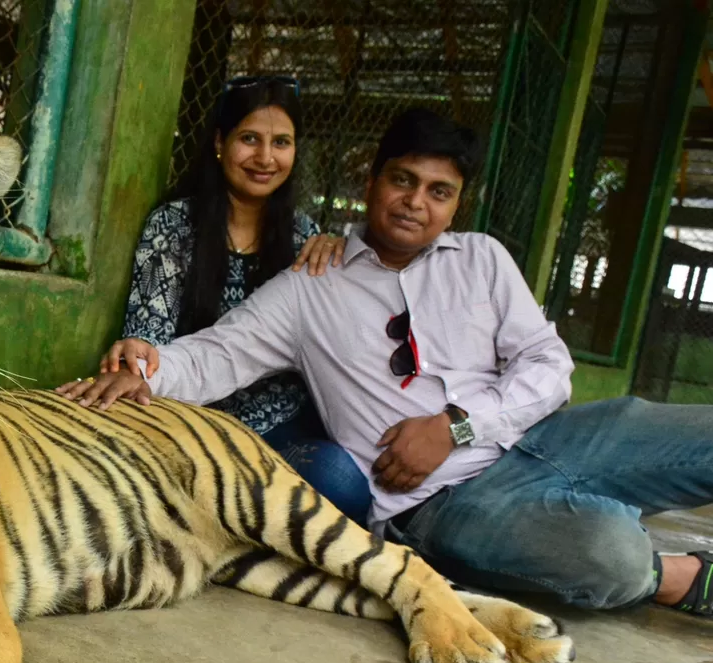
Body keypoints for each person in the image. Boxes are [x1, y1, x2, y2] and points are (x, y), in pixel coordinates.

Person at [56, 107, 713, 616]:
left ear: (457, 203)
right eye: (403, 180)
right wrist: (145, 369)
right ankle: (675, 577)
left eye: (439, 191)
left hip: (542, 439)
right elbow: (215, 356)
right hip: (445, 505)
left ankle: (604, 513)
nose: (415, 202)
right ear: (371, 181)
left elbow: (548, 366)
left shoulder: (483, 259)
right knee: (613, 552)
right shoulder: (310, 287)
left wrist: (456, 424)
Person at [102, 73, 372, 524]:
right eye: (250, 139)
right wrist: (138, 360)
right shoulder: (174, 226)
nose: (266, 158)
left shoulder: (306, 237)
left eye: (281, 142)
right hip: (188, 420)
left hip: (281, 432)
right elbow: (148, 341)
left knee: (340, 481)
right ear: (219, 143)